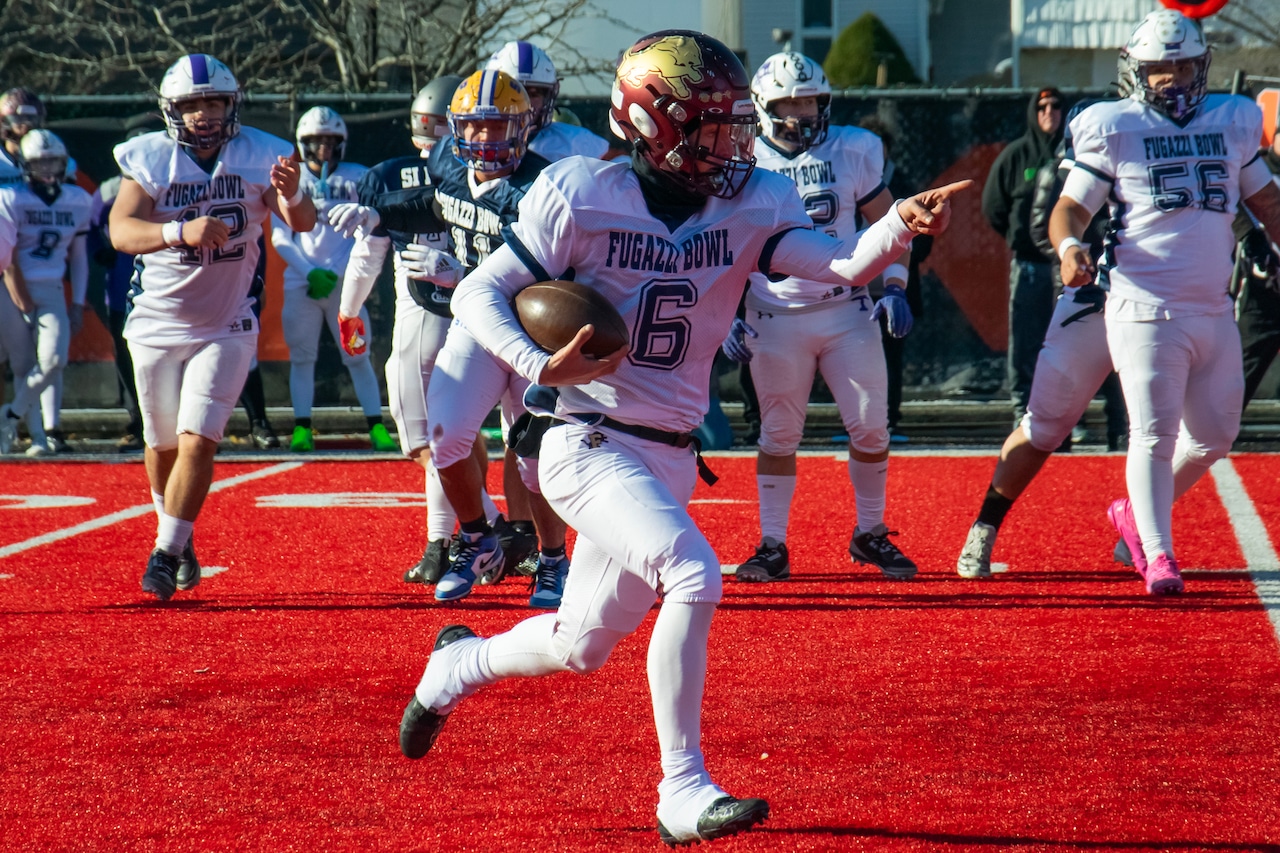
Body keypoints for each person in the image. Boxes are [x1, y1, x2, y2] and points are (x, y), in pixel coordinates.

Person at [394, 29, 967, 846]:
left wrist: (899, 227)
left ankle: (456, 664)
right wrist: (537, 366)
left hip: (665, 448)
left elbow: (839, 267)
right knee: (693, 570)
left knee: (578, 643)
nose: (733, 143)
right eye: (713, 127)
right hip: (585, 436)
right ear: (652, 121)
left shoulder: (754, 198)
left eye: (737, 127)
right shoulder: (580, 191)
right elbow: (482, 293)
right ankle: (681, 787)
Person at [1051, 9, 1280, 595]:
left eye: (1183, 65)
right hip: (1143, 304)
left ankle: (1134, 514)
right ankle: (1158, 555)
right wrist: (1071, 246)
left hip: (1211, 306)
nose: (1173, 78)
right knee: (1153, 433)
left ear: (1202, 66)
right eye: (1160, 69)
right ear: (1137, 72)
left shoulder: (1232, 120)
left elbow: (1269, 204)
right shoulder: (1113, 124)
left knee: (1214, 437)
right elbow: (1070, 209)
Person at [334, 69, 567, 608]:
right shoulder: (445, 161)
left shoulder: (542, 188)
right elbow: (437, 204)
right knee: (444, 436)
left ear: (524, 126)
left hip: (528, 331)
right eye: (474, 126)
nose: (484, 139)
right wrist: (379, 213)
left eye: (497, 126)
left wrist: (461, 272)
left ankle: (553, 560)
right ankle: (477, 539)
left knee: (533, 459)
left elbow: (543, 277)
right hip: (473, 326)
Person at [108, 53, 315, 601]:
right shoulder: (151, 157)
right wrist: (180, 231)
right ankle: (176, 530)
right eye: (192, 104)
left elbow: (303, 222)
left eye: (213, 102)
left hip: (228, 320)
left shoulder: (261, 154)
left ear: (232, 104)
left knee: (199, 439)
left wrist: (292, 192)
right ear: (172, 110)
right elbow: (121, 230)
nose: (203, 113)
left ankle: (166, 551)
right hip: (154, 320)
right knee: (161, 442)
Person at [721, 51, 917, 583]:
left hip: (846, 310)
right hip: (775, 313)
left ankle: (870, 532)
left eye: (811, 100)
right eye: (790, 103)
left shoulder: (854, 150)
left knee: (873, 427)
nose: (803, 112)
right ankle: (772, 544)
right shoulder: (744, 162)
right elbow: (725, 246)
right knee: (779, 435)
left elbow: (895, 224)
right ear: (763, 108)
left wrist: (895, 287)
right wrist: (724, 315)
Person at [333, 74, 502, 587]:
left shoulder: (412, 178)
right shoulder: (482, 178)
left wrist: (349, 308)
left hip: (429, 320)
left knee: (433, 443)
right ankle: (492, 529)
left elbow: (368, 253)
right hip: (481, 317)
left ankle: (455, 537)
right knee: (460, 437)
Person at [955, 99, 1125, 579]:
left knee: (1188, 427)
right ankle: (985, 526)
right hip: (1096, 298)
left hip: (1164, 303)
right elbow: (1060, 215)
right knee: (1045, 426)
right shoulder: (1089, 152)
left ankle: (1144, 529)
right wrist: (1070, 252)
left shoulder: (1177, 141)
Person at [270, 106, 396, 453]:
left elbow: (371, 229)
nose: (324, 148)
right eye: (316, 141)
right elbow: (281, 237)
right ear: (303, 143)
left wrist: (341, 273)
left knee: (358, 354)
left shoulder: (359, 176)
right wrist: (310, 272)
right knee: (302, 357)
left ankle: (376, 427)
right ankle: (302, 428)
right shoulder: (291, 177)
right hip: (302, 281)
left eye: (330, 141)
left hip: (346, 284)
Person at [0, 130, 92, 456]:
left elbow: (79, 257)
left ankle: (10, 415)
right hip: (11, 289)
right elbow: (6, 256)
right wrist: (19, 295)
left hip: (52, 289)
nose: (48, 169)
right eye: (40, 162)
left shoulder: (78, 199)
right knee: (25, 365)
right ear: (25, 165)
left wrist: (78, 302)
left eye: (53, 161)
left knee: (53, 361)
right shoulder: (11, 197)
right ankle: (40, 439)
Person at [983, 86, 1065, 429]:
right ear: (1034, 112)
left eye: (1056, 106)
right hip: (1030, 266)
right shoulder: (1016, 156)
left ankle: (1066, 416)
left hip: (1069, 269)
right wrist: (1020, 239)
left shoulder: (1076, 155)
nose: (1049, 112)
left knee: (1066, 343)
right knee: (1025, 342)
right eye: (1042, 107)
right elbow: (993, 207)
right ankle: (1023, 411)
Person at [89, 115, 168, 453]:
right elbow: (91, 231)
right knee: (127, 356)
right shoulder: (110, 189)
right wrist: (100, 251)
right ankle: (137, 421)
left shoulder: (177, 180)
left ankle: (184, 427)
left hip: (166, 288)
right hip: (123, 289)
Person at [484, 40, 620, 162]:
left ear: (549, 95)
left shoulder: (576, 143)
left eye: (534, 93)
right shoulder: (477, 139)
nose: (524, 101)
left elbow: (620, 167)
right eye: (514, 93)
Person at [0, 88, 44, 186]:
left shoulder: (51, 158)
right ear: (3, 121)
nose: (26, 125)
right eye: (18, 119)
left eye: (32, 119)